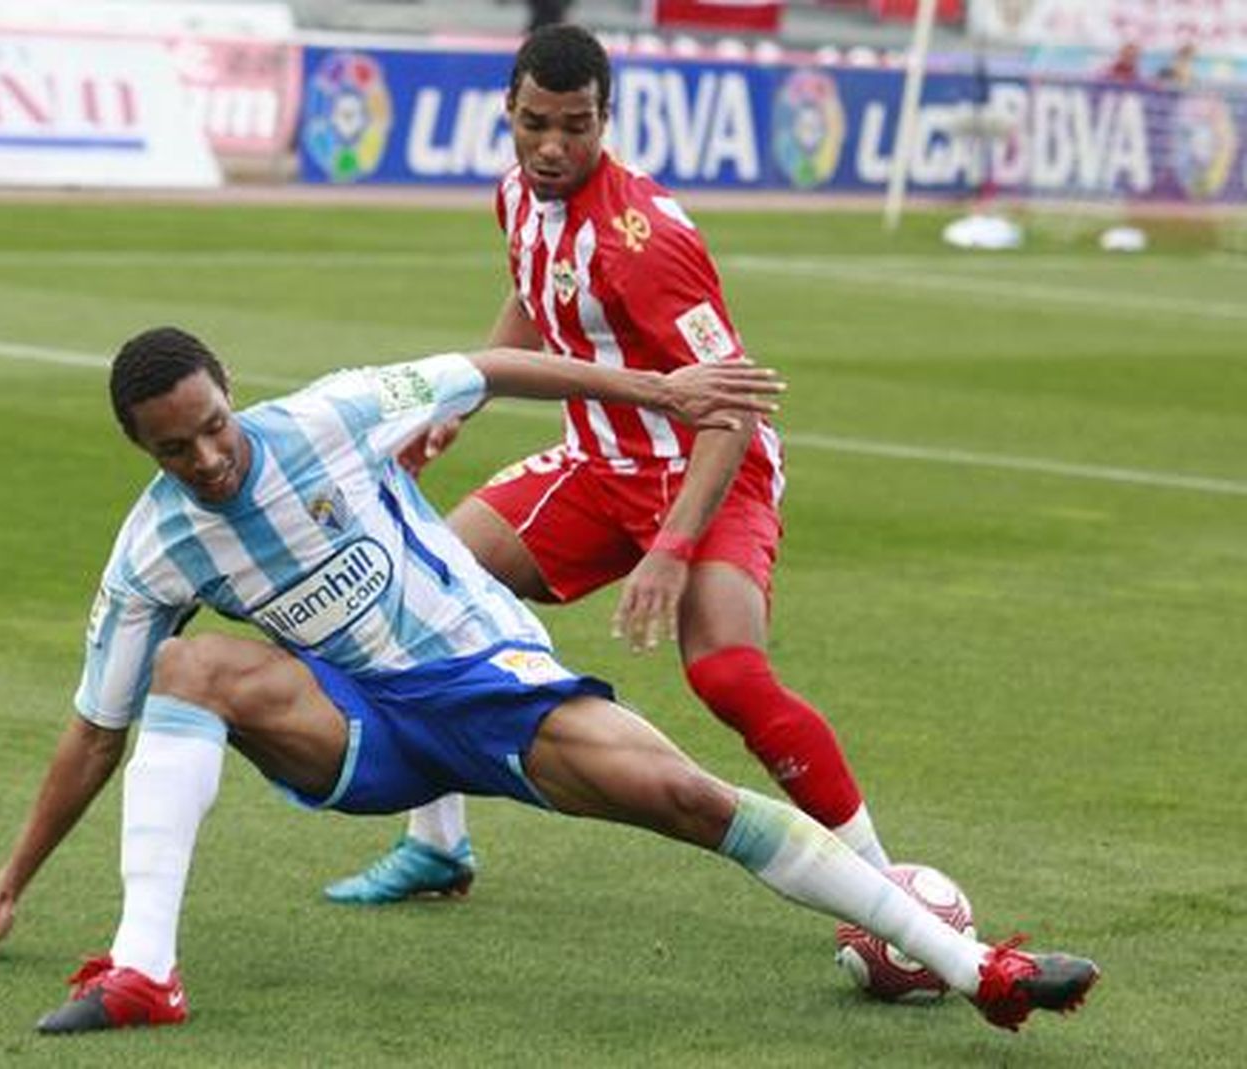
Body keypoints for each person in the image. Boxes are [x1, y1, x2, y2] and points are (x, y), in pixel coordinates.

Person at [0, 326, 1099, 1036]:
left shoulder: (332, 415)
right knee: (185, 665)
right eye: (176, 449)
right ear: (144, 451)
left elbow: (483, 368)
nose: (209, 458)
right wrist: (10, 884)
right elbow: (96, 730)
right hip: (359, 732)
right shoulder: (156, 548)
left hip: (495, 688)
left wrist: (664, 394)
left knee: (695, 803)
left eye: (213, 427)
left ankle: (974, 967)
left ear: (232, 391)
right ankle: (144, 971)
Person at [326, 22, 892, 906]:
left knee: (728, 674)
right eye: (536, 124)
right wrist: (458, 406)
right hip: (595, 463)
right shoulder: (516, 195)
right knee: (421, 591)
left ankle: (891, 889)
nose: (553, 147)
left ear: (607, 119)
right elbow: (534, 291)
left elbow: (732, 405)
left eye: (577, 126)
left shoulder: (648, 241)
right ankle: (437, 847)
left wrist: (671, 546)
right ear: (508, 113)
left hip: (710, 466)